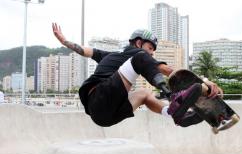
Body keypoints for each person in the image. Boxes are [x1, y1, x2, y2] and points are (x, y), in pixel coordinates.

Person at [52, 23, 222, 127]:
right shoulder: (135, 53)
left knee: (144, 94)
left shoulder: (111, 55)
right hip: (99, 96)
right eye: (150, 49)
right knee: (140, 58)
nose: (152, 55)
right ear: (139, 42)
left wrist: (65, 41)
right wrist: (203, 82)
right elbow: (170, 71)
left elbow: (83, 50)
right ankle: (171, 96)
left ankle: (173, 113)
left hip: (105, 117)